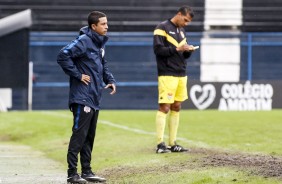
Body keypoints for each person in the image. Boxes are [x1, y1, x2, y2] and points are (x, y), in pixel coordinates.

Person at [57, 11, 116, 183]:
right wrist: (77, 74)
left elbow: (103, 65)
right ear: (93, 26)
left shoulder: (100, 44)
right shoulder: (84, 41)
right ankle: (72, 173)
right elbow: (63, 55)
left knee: (89, 136)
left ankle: (87, 171)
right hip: (81, 97)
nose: (107, 26)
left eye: (107, 23)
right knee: (79, 135)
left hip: (94, 96)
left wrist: (110, 80)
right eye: (103, 24)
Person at [153, 6, 196, 153]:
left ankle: (173, 143)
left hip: (181, 74)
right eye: (185, 20)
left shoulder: (182, 31)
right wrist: (177, 49)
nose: (186, 24)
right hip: (167, 74)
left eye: (188, 22)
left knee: (177, 106)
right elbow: (158, 51)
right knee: (164, 107)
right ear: (179, 14)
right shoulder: (162, 28)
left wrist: (188, 51)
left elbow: (182, 55)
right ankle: (160, 144)